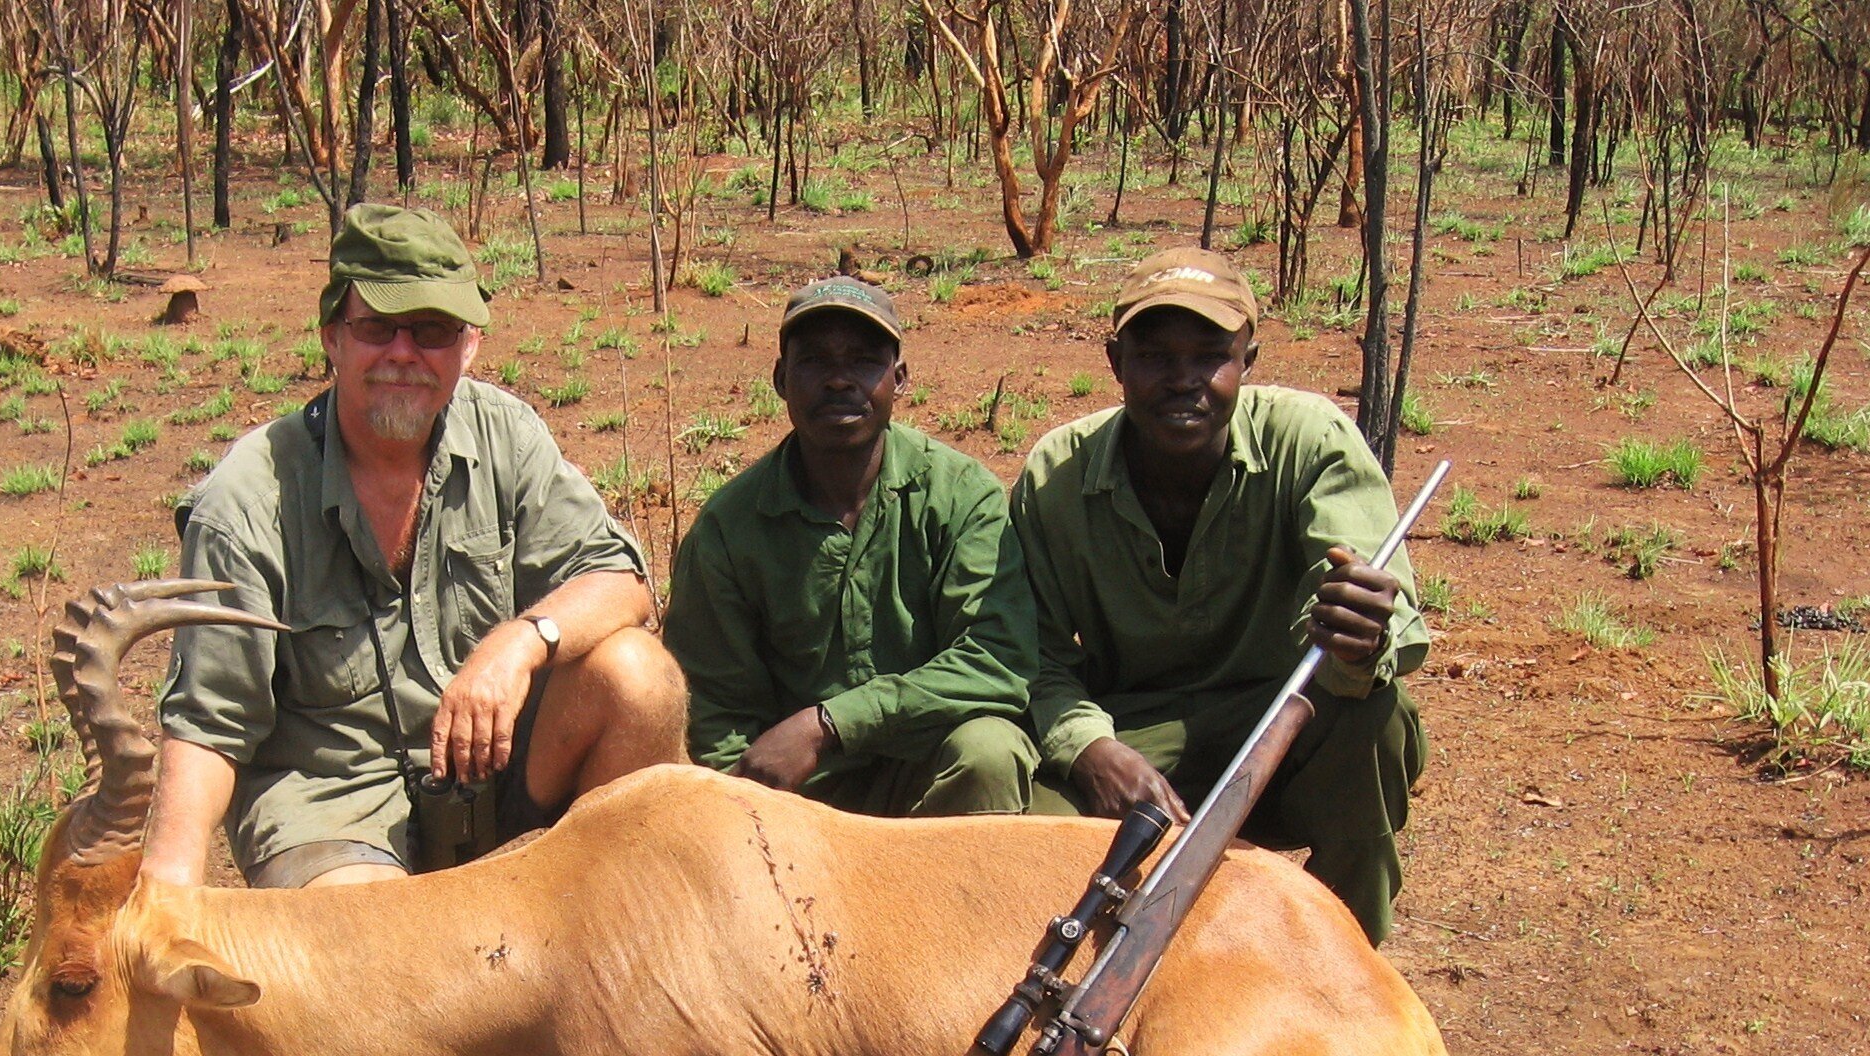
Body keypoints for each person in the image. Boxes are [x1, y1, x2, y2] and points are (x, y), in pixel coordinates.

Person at [146, 204, 686, 889]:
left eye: (432, 330)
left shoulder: (505, 435)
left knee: (638, 676)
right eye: (376, 328)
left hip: (494, 776)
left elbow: (620, 578)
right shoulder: (246, 503)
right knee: (377, 962)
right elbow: (208, 723)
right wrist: (166, 893)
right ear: (332, 338)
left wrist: (517, 644)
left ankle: (602, 935)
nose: (403, 353)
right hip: (337, 807)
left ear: (468, 346)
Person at [1014, 246, 1430, 943]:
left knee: (1376, 720)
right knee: (1015, 820)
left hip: (1280, 731)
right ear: (1116, 363)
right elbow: (1030, 653)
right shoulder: (1057, 472)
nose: (1185, 381)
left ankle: (1345, 961)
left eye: (1210, 355)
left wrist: (1360, 638)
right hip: (1129, 737)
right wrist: (1090, 749)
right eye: (1155, 357)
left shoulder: (1311, 440)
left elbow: (1377, 615)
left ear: (1249, 360)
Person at [662, 278, 1039, 816]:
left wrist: (831, 723)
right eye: (814, 362)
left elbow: (997, 660)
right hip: (804, 796)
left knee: (990, 752)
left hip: (929, 767)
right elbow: (716, 714)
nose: (839, 381)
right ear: (780, 379)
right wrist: (755, 803)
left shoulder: (961, 495)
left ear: (899, 379)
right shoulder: (730, 527)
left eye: (863, 361)